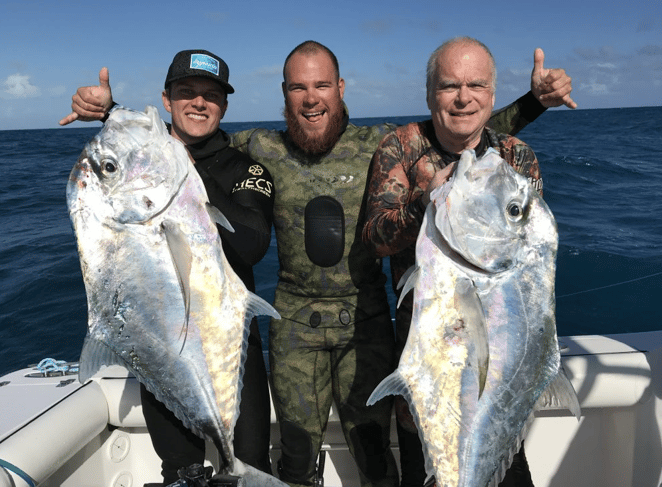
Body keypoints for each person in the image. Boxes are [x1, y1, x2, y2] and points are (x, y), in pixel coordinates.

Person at [61, 40, 575, 487]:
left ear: (341, 87)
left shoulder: (380, 143)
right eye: (298, 88)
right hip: (292, 329)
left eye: (322, 85)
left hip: (368, 325)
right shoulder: (261, 147)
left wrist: (534, 104)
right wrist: (114, 115)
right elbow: (181, 137)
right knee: (298, 458)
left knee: (378, 458)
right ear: (284, 93)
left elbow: (460, 127)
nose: (311, 99)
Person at [61, 49, 275, 485]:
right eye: (186, 92)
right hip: (163, 348)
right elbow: (131, 176)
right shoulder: (156, 165)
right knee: (180, 472)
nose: (199, 103)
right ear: (167, 99)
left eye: (211, 95)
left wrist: (181, 168)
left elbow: (251, 245)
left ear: (225, 106)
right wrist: (111, 113)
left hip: (230, 342)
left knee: (250, 460)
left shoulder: (246, 168)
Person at [362, 36, 558, 486]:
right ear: (431, 93)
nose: (463, 97)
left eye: (476, 85)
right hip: (429, 368)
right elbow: (374, 237)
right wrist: (426, 200)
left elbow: (527, 268)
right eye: (450, 85)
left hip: (497, 372)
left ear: (492, 94)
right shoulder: (401, 147)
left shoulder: (516, 157)